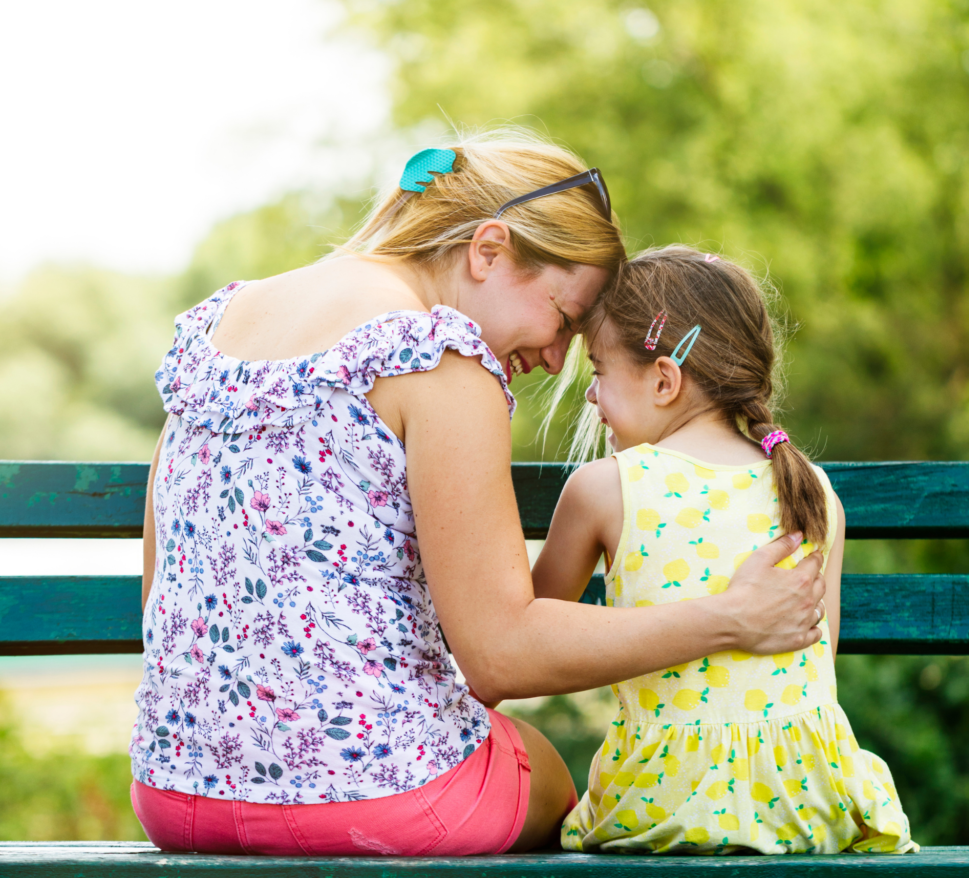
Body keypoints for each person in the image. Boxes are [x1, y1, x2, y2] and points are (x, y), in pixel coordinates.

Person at [131, 131, 829, 857]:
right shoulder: (437, 358)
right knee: (555, 779)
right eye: (564, 318)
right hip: (374, 795)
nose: (556, 357)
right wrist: (731, 619)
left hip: (176, 791)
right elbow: (500, 658)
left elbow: (160, 590)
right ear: (488, 250)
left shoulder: (221, 324)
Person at [535, 246, 918, 855]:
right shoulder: (812, 489)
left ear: (664, 379)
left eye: (598, 371)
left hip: (666, 800)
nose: (590, 396)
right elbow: (818, 655)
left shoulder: (607, 487)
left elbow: (527, 631)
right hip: (813, 799)